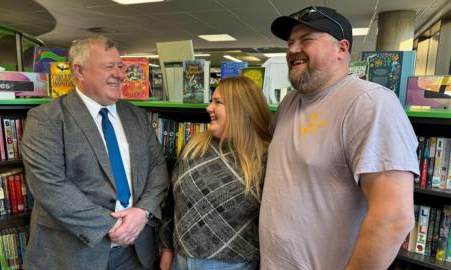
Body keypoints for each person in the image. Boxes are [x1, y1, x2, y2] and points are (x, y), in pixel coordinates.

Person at [259, 6, 420, 270]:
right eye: (290, 42)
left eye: (306, 40)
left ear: (341, 49)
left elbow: (393, 218)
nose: (292, 50)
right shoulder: (290, 103)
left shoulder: (369, 103)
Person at [21, 36, 168, 270]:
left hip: (135, 253)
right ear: (79, 71)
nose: (120, 74)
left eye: (120, 66)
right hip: (72, 255)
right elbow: (49, 186)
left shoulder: (137, 116)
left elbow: (157, 169)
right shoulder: (46, 119)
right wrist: (111, 227)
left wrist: (143, 212)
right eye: (109, 66)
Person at [159, 76, 272, 270]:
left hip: (235, 264)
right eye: (212, 101)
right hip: (181, 260)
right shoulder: (194, 146)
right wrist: (167, 248)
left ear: (241, 108)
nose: (209, 108)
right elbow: (172, 203)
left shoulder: (265, 155)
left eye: (218, 102)